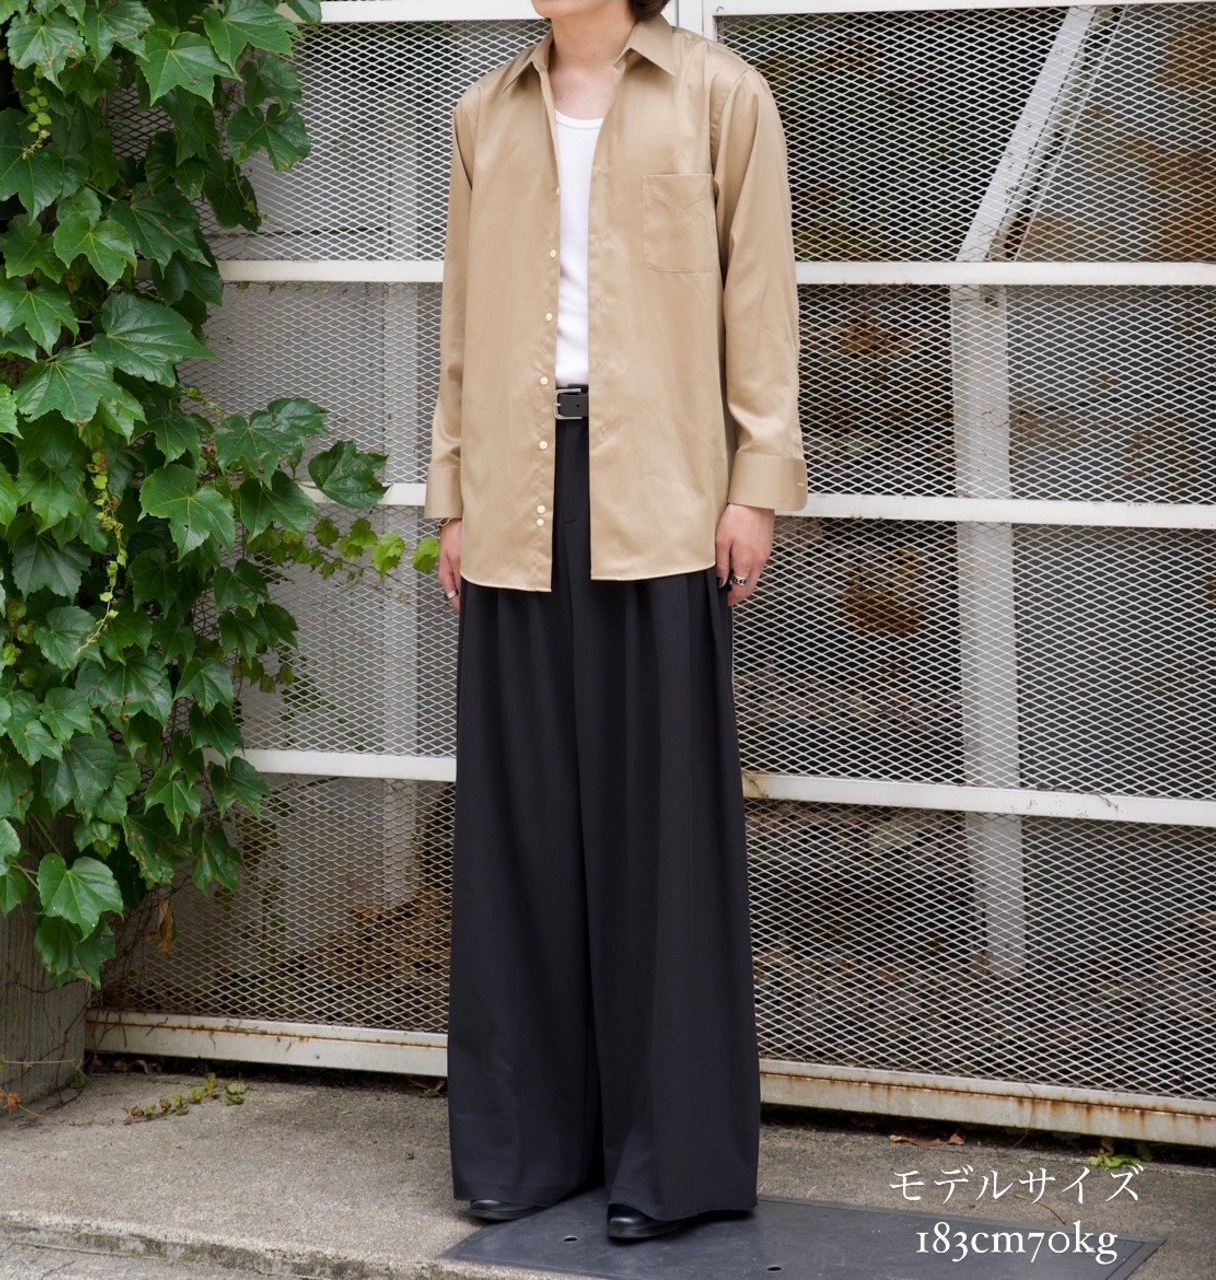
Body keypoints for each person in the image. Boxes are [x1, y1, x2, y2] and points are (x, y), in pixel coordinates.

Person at [424, 0, 806, 1243]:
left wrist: (755, 483)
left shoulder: (719, 94)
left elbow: (760, 299)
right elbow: (461, 328)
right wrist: (452, 495)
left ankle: (671, 1159)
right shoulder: (484, 112)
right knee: (520, 829)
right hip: (515, 496)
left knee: (661, 839)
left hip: (663, 490)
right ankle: (524, 1145)